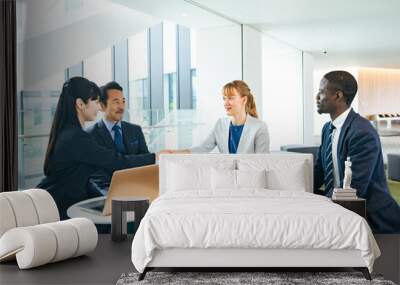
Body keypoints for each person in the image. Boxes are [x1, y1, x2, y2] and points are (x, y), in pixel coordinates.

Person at [37, 77, 163, 219]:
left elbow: (81, 178)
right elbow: (116, 161)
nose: (99, 107)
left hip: (61, 202)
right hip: (57, 207)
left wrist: (106, 203)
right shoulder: (75, 138)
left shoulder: (68, 133)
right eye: (96, 101)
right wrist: (156, 157)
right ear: (80, 104)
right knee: (120, 226)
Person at [314, 70, 400, 233]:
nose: (317, 97)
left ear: (338, 96)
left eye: (321, 92)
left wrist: (321, 206)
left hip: (371, 218)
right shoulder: (328, 129)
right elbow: (319, 171)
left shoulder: (362, 132)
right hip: (341, 208)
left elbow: (354, 188)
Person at [86, 81, 153, 195]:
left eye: (123, 101)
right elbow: (96, 175)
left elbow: (146, 161)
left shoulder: (135, 130)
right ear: (102, 106)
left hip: (138, 188)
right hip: (109, 193)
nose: (121, 107)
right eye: (116, 102)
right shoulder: (91, 135)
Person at [170, 80, 269, 154]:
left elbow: (262, 162)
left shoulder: (259, 127)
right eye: (224, 98)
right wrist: (173, 153)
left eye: (230, 98)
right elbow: (202, 149)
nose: (226, 103)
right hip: (225, 178)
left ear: (244, 100)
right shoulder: (220, 124)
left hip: (250, 180)